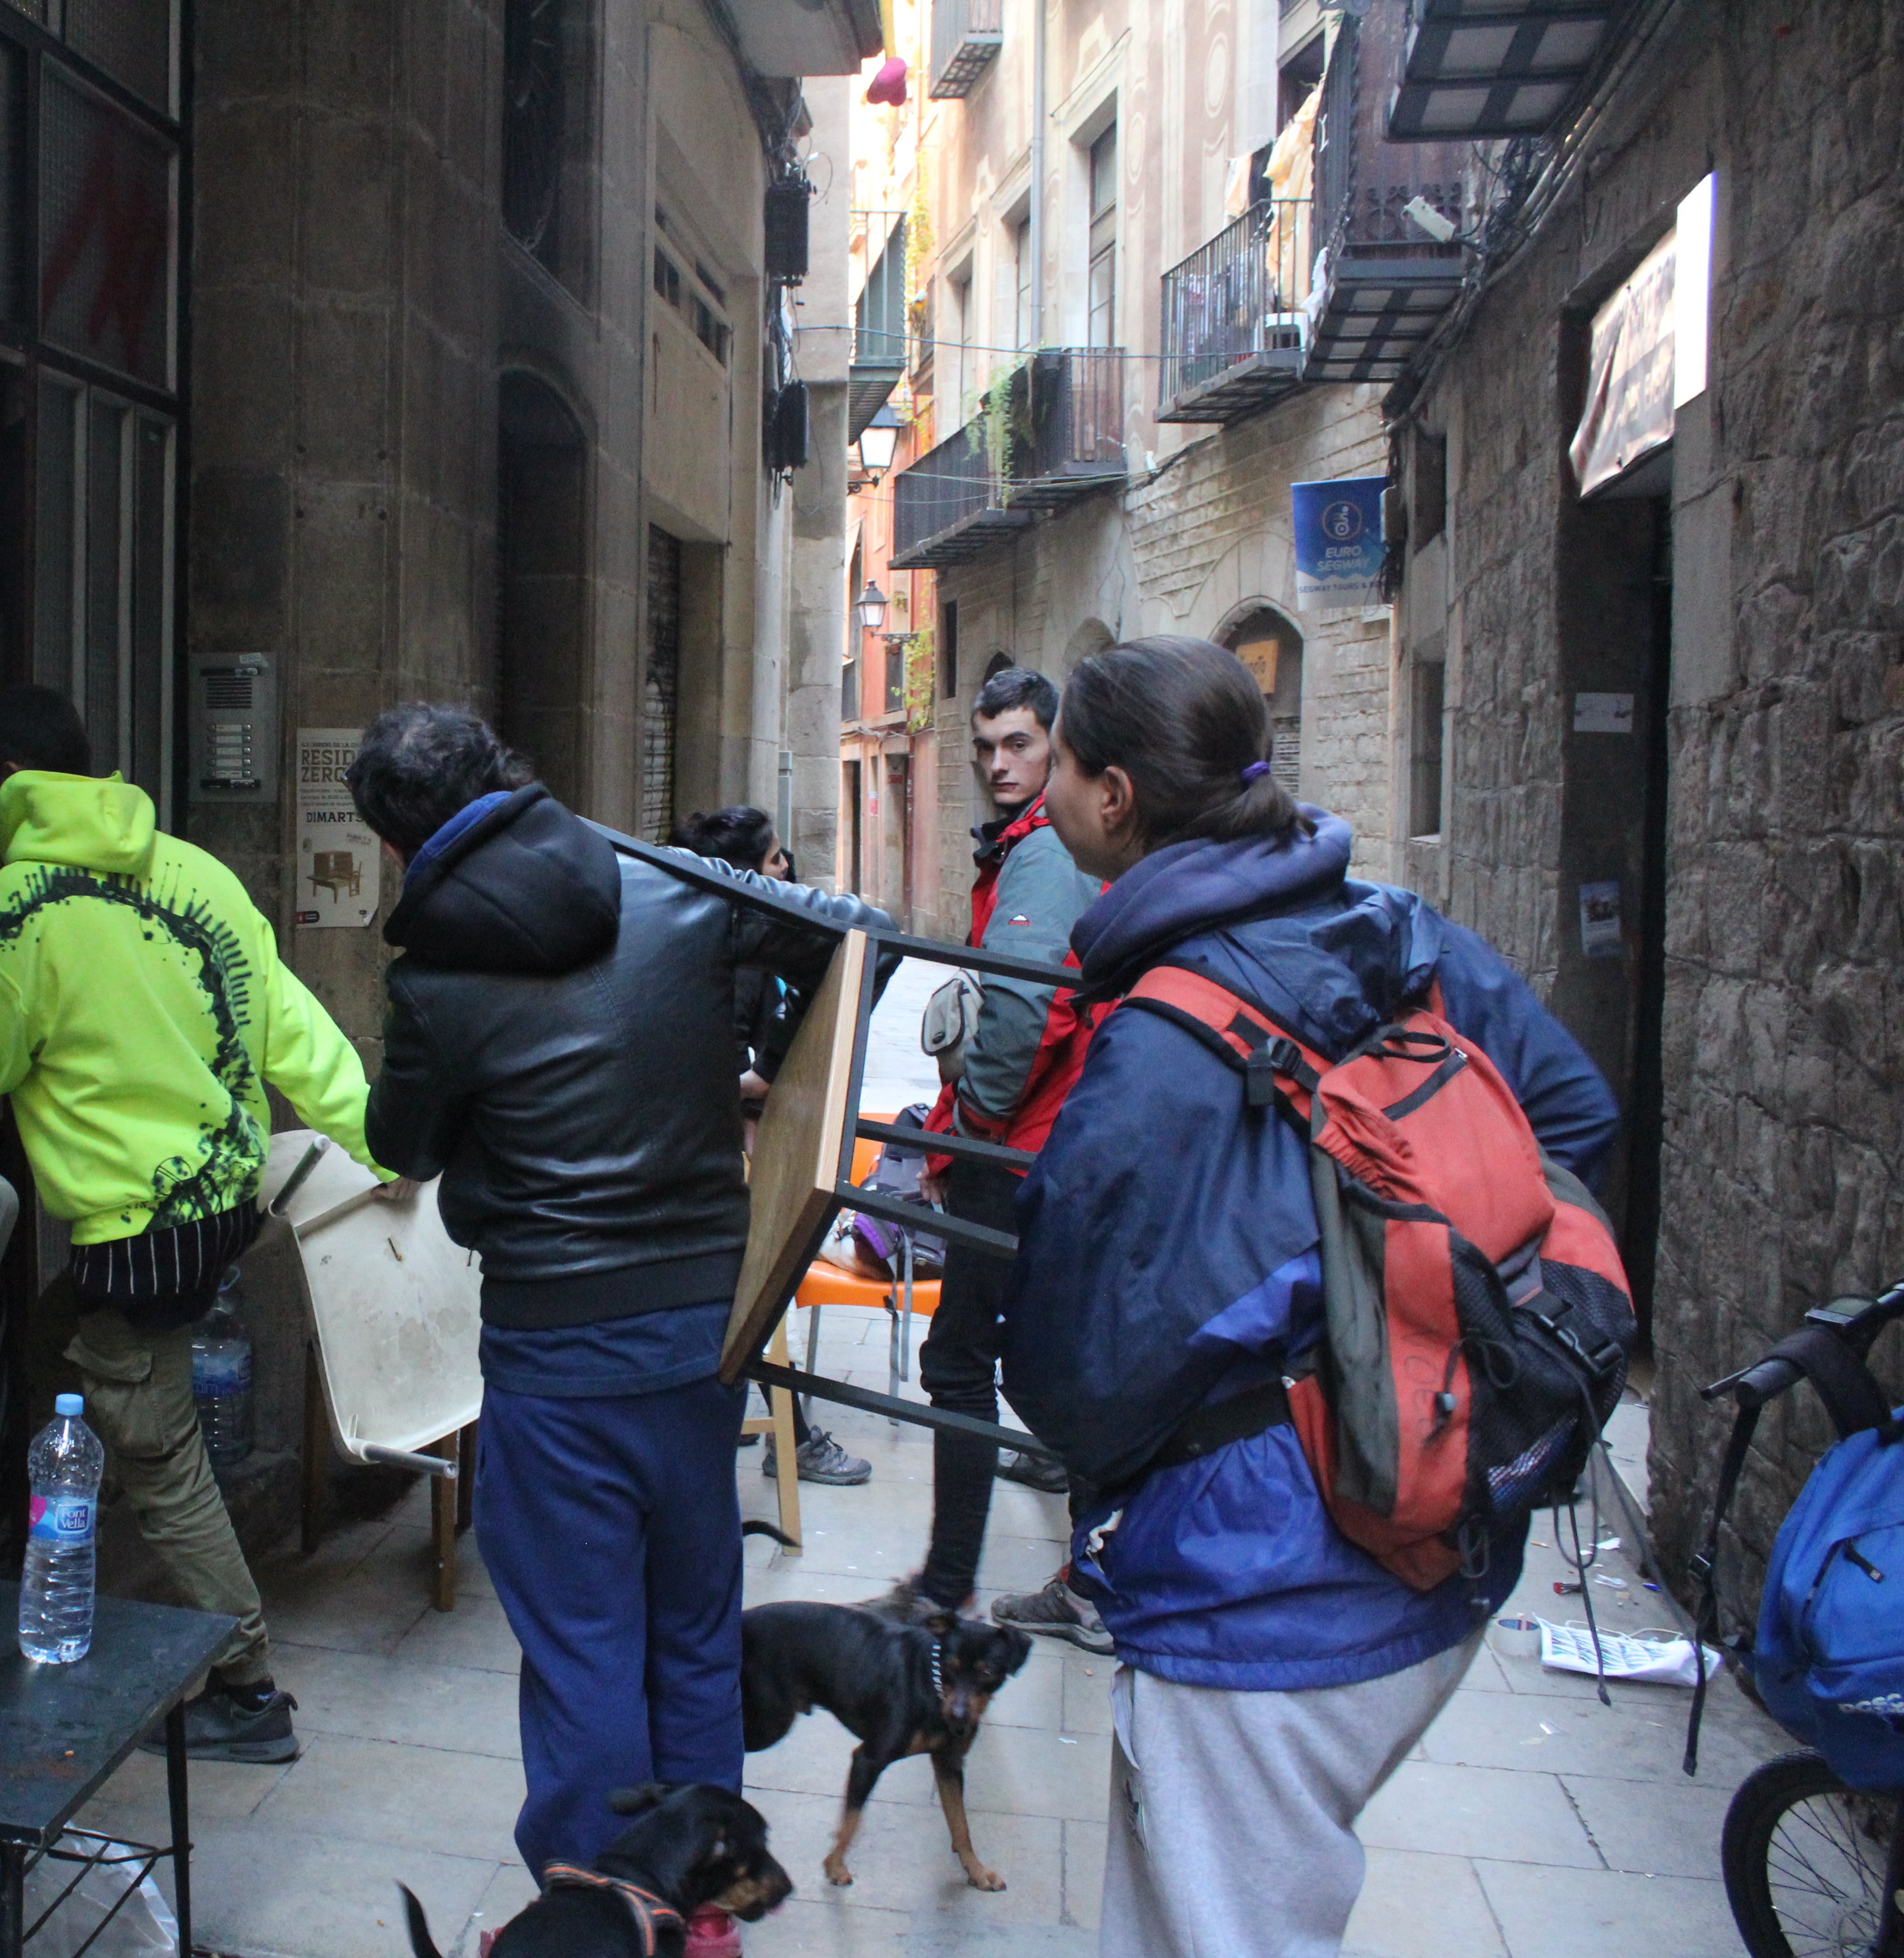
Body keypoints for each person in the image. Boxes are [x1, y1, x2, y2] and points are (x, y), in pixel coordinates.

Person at [999, 637, 1617, 1957]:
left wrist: (1337, 1313)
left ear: (1113, 798)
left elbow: (1064, 1371)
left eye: (1055, 761)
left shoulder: (1156, 1039)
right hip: (1445, 1527)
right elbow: (1572, 1117)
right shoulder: (1403, 932)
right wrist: (1426, 1320)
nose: (1038, 783)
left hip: (1267, 1597)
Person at [351, 706, 889, 1890]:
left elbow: (402, 1140)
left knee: (585, 1655)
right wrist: (771, 1089)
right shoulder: (673, 884)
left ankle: (602, 1915)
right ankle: (699, 1901)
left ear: (399, 848)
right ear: (512, 771)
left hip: (554, 1356)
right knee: (694, 1638)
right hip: (704, 1334)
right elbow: (866, 939)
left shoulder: (435, 979)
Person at [0, 684, 390, 1764]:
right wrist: (380, 1138)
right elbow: (296, 1034)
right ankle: (56, 1551)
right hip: (221, 1207)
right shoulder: (196, 875)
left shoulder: (20, 909)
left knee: (157, 1449)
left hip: (138, 1234)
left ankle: (247, 1688)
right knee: (55, 1344)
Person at [904, 667, 1106, 1636]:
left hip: (1017, 1155)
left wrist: (975, 1120)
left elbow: (1026, 1002)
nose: (996, 764)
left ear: (1056, 745)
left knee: (958, 1362)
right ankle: (1093, 1572)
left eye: (1017, 743)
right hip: (1041, 1149)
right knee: (1046, 1358)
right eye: (983, 746)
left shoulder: (1040, 855)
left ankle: (947, 1587)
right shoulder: (1038, 844)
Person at [670, 805, 873, 1490]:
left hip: (712, 1139)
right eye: (776, 856)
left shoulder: (693, 929)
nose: (787, 866)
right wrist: (751, 1089)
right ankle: (790, 1439)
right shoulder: (745, 942)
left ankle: (777, 1432)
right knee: (751, 1298)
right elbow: (726, 1046)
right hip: (723, 1148)